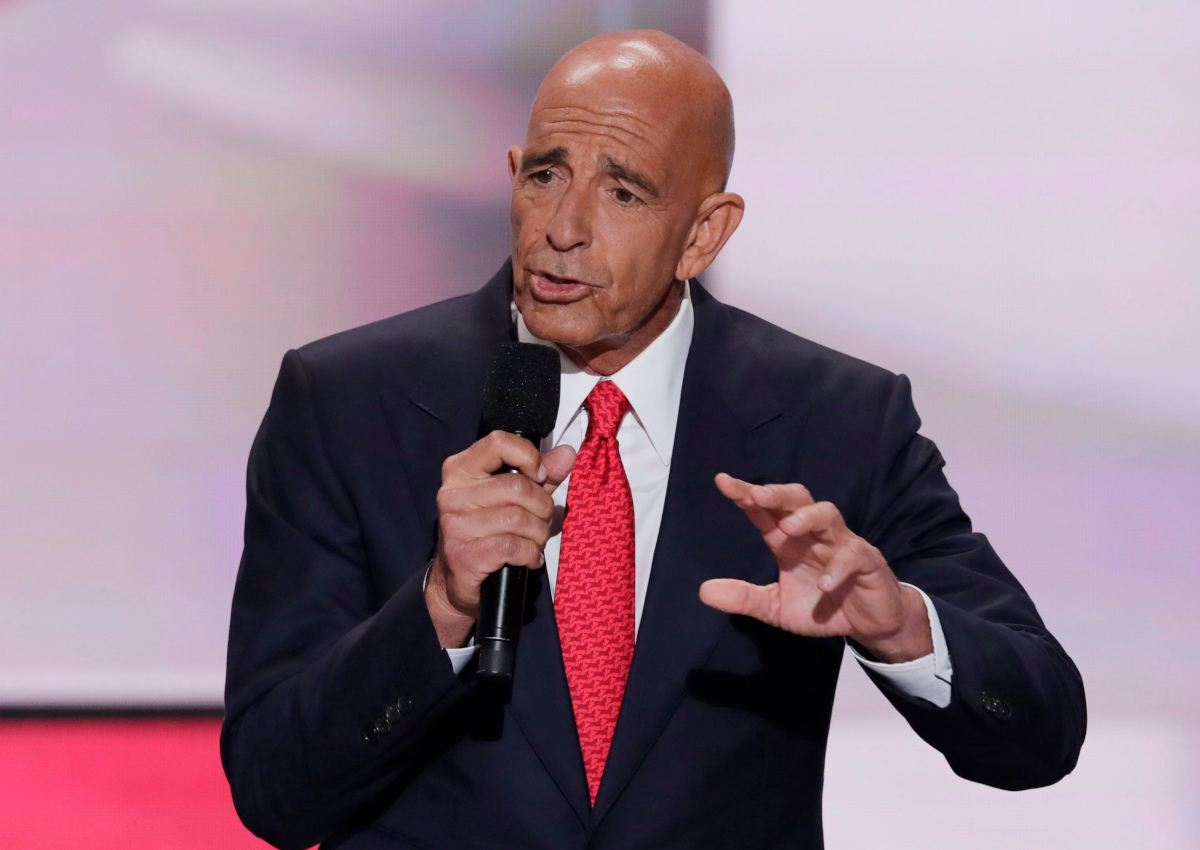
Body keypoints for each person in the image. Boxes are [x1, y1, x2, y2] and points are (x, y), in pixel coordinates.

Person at [222, 30, 1086, 850]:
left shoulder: (839, 419)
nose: (563, 228)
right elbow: (273, 790)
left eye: (623, 193)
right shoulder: (345, 402)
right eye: (547, 176)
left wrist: (904, 630)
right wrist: (440, 607)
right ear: (512, 176)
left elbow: (1042, 731)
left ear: (704, 234)